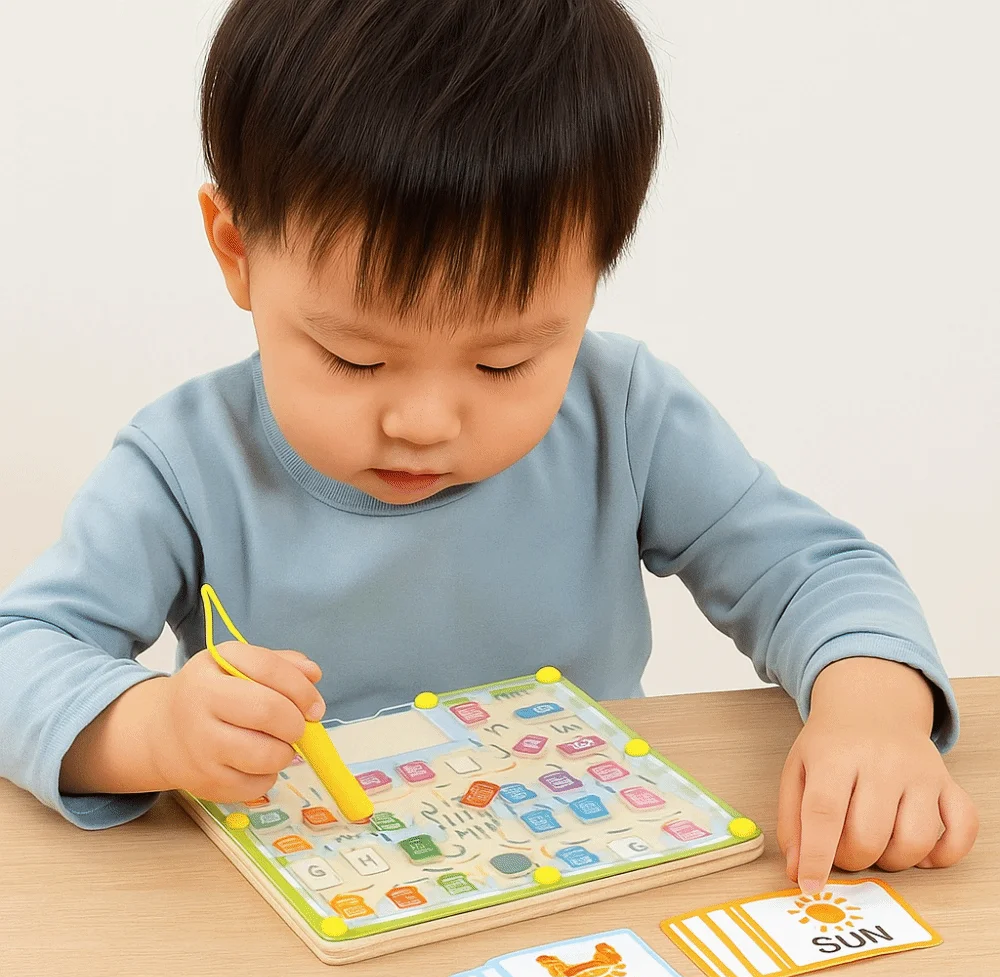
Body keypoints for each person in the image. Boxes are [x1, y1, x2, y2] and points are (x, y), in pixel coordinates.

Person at [0, 0, 977, 897]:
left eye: (505, 363)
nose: (425, 420)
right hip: (301, 910)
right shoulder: (184, 463)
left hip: (584, 875)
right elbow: (21, 654)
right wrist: (148, 728)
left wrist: (871, 715)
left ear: (595, 277)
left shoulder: (621, 411)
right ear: (236, 248)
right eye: (355, 356)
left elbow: (812, 572)